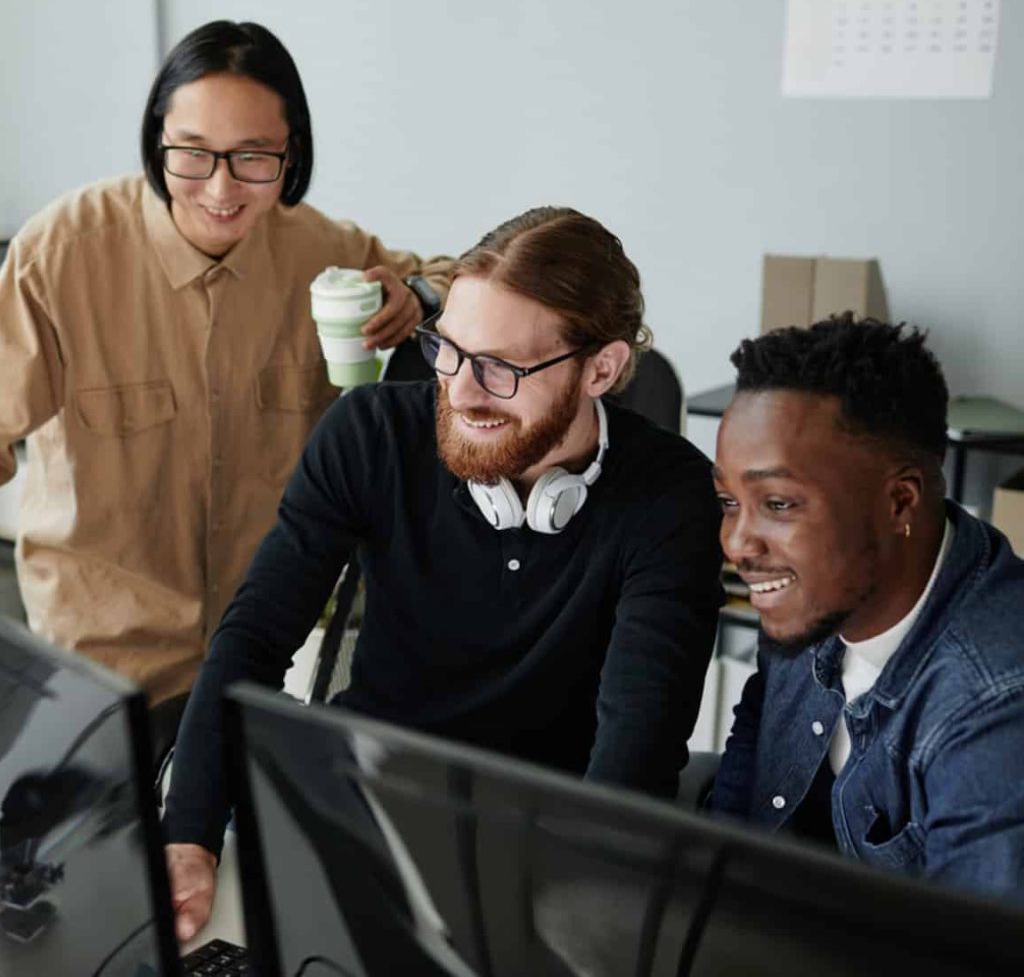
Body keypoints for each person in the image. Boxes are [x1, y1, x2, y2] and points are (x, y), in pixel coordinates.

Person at [162, 205, 724, 941]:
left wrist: (574, 913)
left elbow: (638, 746)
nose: (459, 393)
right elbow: (253, 640)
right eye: (448, 350)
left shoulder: (671, 495)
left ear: (602, 369)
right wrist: (190, 837)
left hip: (541, 852)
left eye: (500, 367)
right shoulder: (369, 434)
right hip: (362, 812)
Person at [0, 20, 450, 707]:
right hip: (99, 671)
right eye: (194, 154)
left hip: (264, 658)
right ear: (158, 140)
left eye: (253, 157)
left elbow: (465, 277)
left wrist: (417, 295)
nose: (220, 188)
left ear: (290, 152)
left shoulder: (324, 251)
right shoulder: (60, 253)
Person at [710, 313, 1024, 901]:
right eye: (729, 500)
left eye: (777, 503)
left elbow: (972, 953)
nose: (736, 543)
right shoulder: (824, 592)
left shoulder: (996, 711)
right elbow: (757, 727)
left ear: (899, 501)